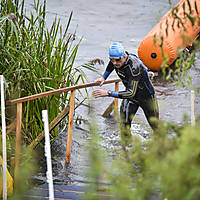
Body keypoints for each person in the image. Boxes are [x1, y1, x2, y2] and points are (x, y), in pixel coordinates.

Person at [92, 42, 159, 146]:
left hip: (147, 98)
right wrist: (103, 78)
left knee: (155, 126)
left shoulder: (134, 66)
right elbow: (111, 66)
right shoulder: (116, 61)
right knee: (124, 125)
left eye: (117, 60)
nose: (115, 63)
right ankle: (127, 150)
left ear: (124, 56)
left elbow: (131, 93)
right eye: (112, 59)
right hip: (131, 97)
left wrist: (108, 93)